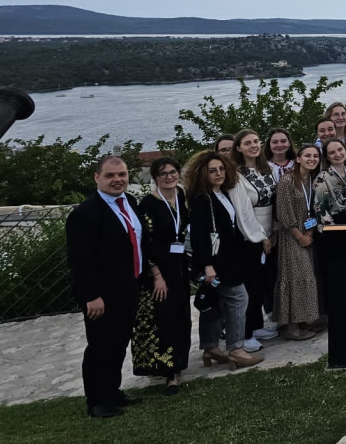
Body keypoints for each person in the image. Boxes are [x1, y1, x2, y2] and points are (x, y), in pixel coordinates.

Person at [66, 155, 150, 417]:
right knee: (100, 347)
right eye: (111, 175)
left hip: (129, 288)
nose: (118, 180)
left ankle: (113, 392)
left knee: (119, 343)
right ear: (97, 178)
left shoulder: (130, 202)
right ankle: (97, 401)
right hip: (102, 295)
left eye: (122, 175)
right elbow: (80, 261)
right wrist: (92, 296)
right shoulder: (85, 214)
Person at [186, 151, 263, 371]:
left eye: (221, 169)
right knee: (239, 298)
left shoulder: (221, 193)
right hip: (216, 264)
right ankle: (236, 348)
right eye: (212, 170)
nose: (218, 173)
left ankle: (210, 347)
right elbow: (201, 235)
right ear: (203, 173)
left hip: (226, 260)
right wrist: (208, 265)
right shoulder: (202, 199)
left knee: (216, 301)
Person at [133, 157, 191, 395]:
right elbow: (145, 242)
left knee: (181, 316)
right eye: (163, 173)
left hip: (180, 266)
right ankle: (169, 372)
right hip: (159, 270)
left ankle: (178, 362)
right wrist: (156, 274)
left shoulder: (183, 196)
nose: (169, 177)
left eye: (173, 172)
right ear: (155, 177)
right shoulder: (148, 203)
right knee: (164, 318)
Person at [231, 129, 278, 348]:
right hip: (251, 236)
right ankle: (246, 333)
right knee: (251, 284)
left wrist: (274, 231)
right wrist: (261, 237)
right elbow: (243, 211)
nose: (253, 145)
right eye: (247, 143)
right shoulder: (236, 175)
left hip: (270, 231)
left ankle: (258, 325)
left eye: (256, 141)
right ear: (238, 147)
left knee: (263, 283)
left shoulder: (266, 169)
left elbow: (274, 202)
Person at [273, 144, 322, 341]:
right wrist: (299, 235)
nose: (312, 159)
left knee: (307, 280)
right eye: (308, 155)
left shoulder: (311, 180)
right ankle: (291, 327)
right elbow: (283, 213)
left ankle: (304, 321)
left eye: (315, 156)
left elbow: (314, 208)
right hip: (292, 237)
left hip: (308, 235)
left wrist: (309, 232)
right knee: (296, 279)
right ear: (298, 158)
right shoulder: (287, 181)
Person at [314, 138, 346, 225]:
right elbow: (320, 208)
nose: (337, 154)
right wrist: (332, 229)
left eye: (340, 149)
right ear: (327, 157)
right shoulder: (322, 178)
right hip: (336, 224)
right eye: (332, 152)